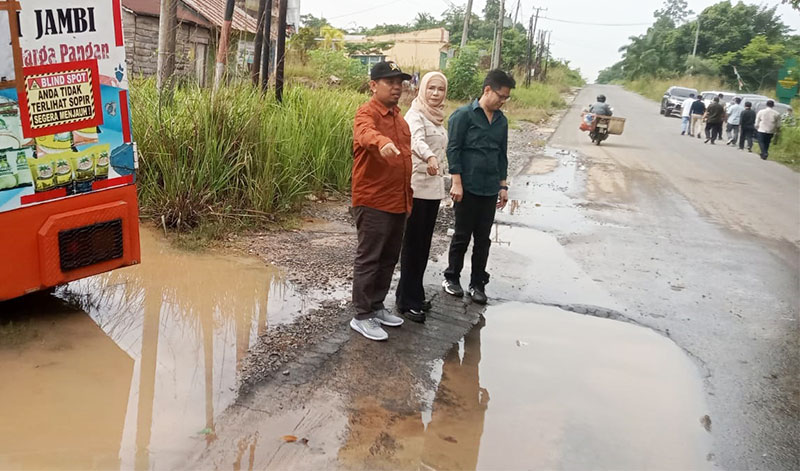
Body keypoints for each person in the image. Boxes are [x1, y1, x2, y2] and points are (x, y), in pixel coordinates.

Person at [350, 61, 412, 341]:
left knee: (388, 257)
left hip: (398, 199)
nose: (397, 87)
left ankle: (376, 306)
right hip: (373, 200)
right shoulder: (368, 113)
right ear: (373, 85)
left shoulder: (399, 117)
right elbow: (365, 133)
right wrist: (381, 142)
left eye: (400, 82)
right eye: (390, 82)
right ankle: (361, 315)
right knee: (370, 257)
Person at [442, 69, 512, 305]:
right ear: (487, 90)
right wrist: (457, 182)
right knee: (462, 235)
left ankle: (478, 283)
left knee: (483, 239)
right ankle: (451, 278)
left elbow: (502, 154)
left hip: (490, 187)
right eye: (501, 96)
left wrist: (503, 186)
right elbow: (453, 150)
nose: (503, 101)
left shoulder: (501, 121)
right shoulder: (463, 116)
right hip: (467, 186)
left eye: (506, 98)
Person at [396, 71, 449, 323]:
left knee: (424, 246)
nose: (436, 94)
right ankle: (406, 301)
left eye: (440, 89)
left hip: (433, 190)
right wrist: (429, 156)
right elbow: (414, 140)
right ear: (422, 90)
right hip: (416, 187)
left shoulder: (438, 119)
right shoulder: (415, 114)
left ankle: (414, 292)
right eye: (431, 88)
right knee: (413, 245)